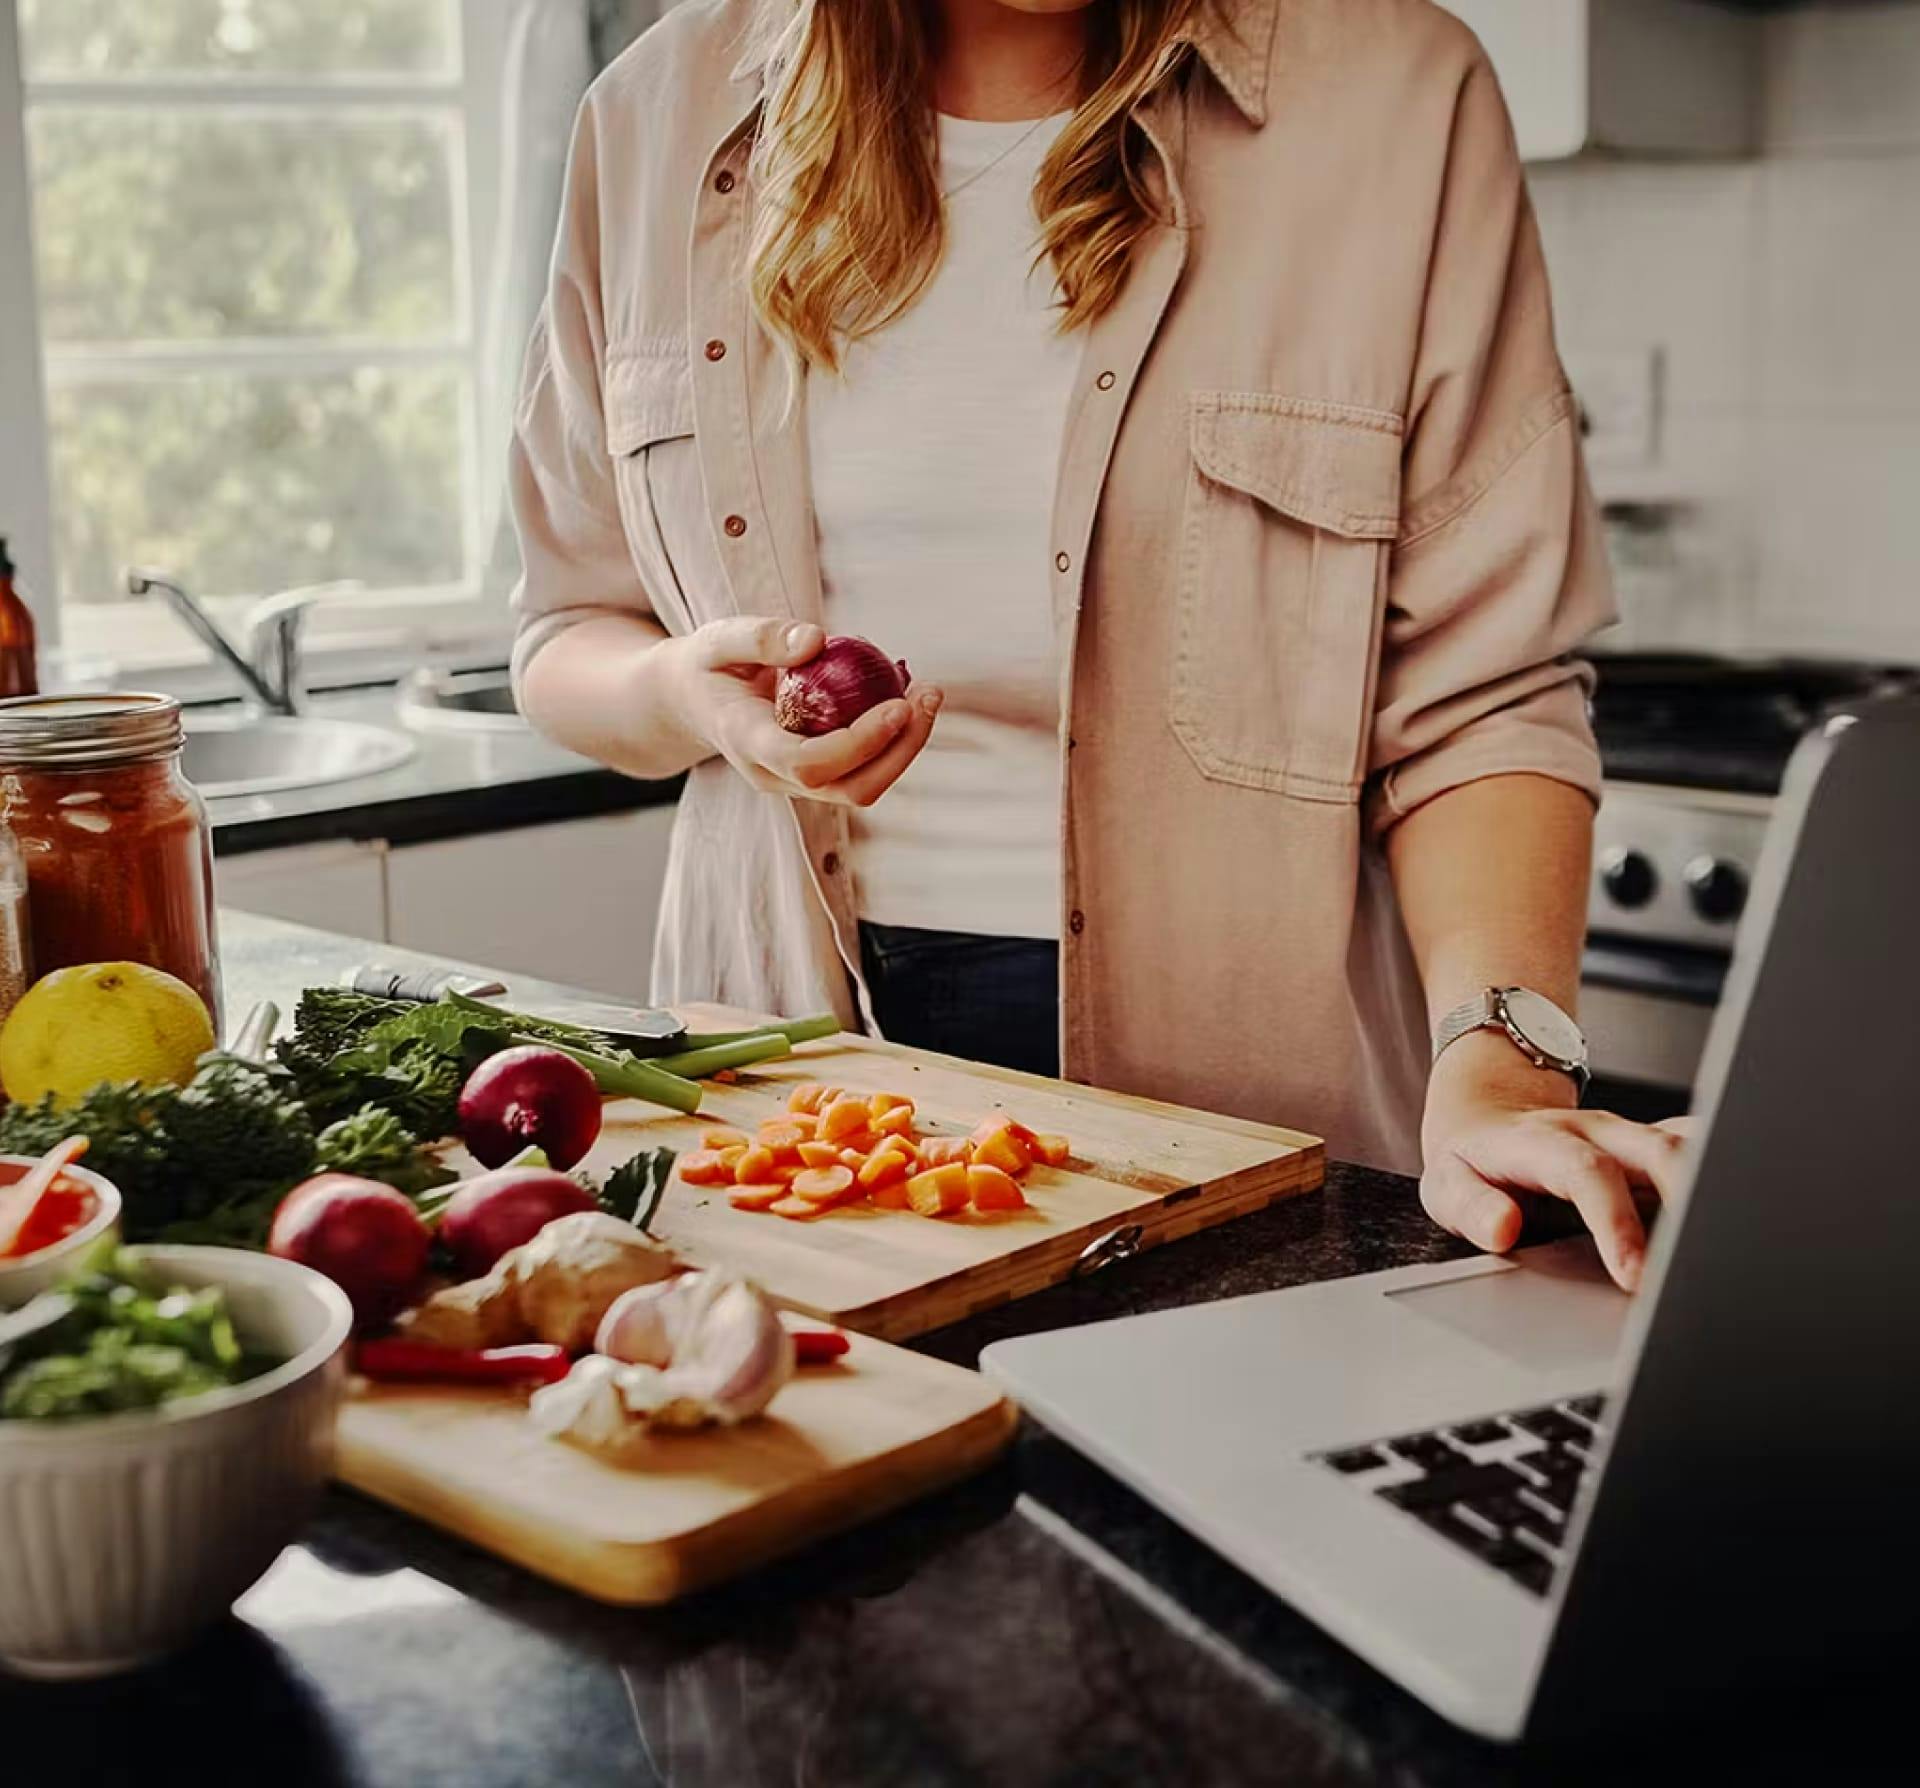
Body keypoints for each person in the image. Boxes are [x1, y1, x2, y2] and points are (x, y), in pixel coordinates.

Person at [509, 0, 1686, 1290]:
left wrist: (1503, 1073)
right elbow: (568, 631)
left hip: (1250, 1114)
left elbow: (1484, 696)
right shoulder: (653, 115)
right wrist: (683, 693)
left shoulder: (1398, 93)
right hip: (793, 1092)